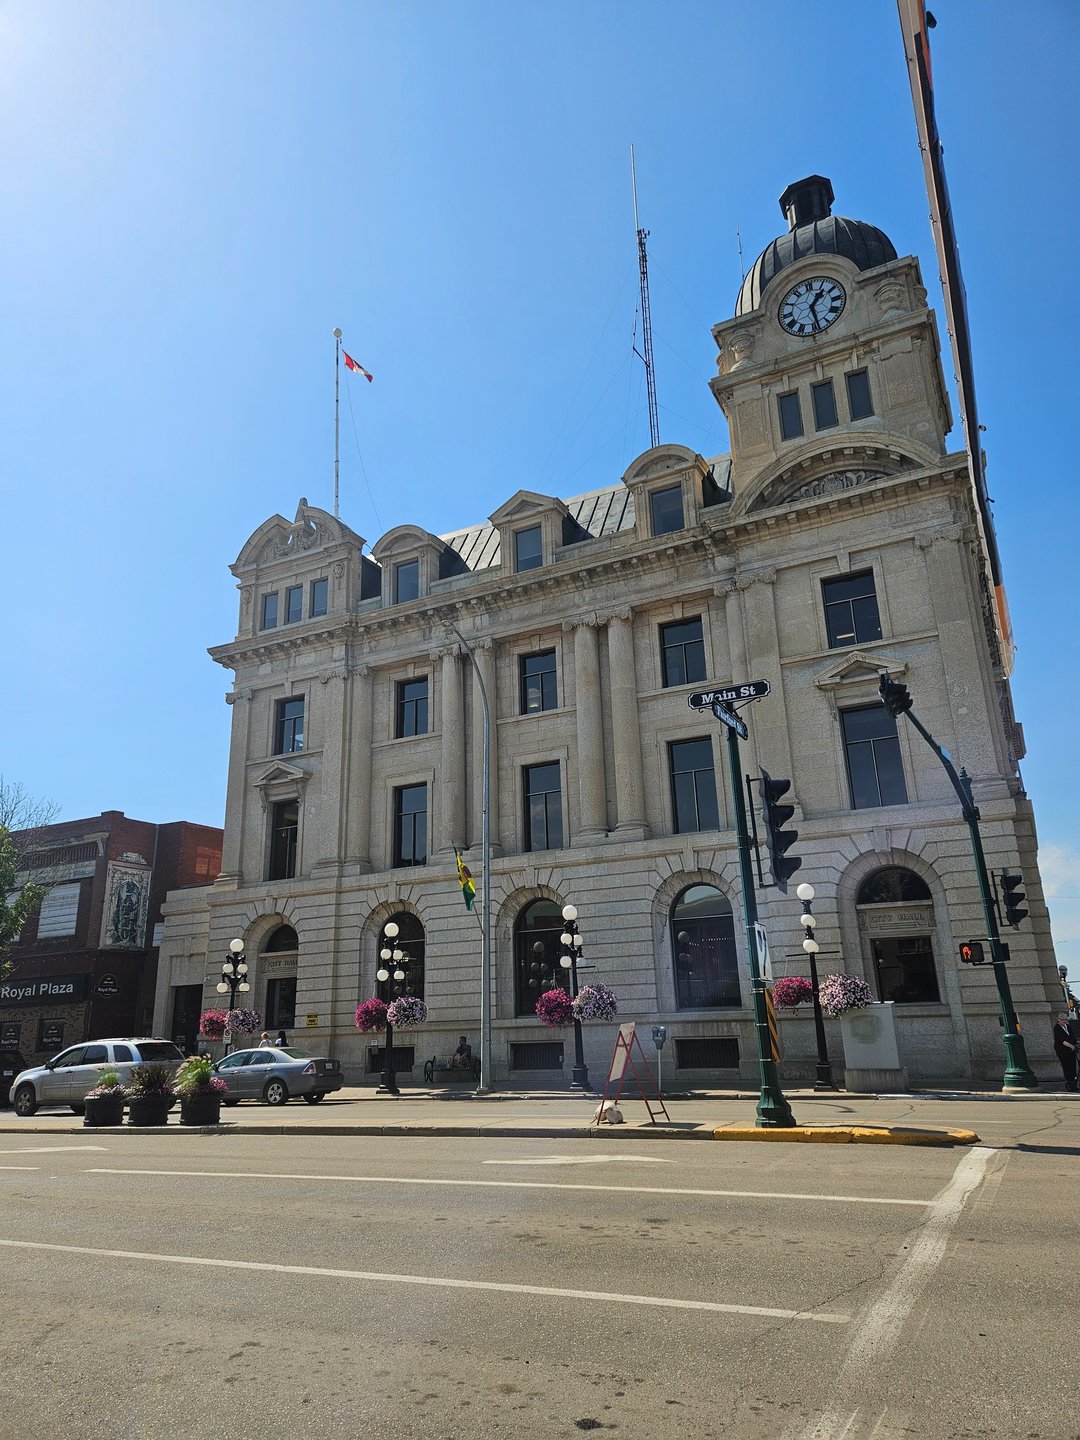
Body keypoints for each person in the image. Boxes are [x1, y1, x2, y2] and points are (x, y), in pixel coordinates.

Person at [1052, 1014, 1077, 1092]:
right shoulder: (1057, 1028)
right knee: (1067, 1066)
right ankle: (1070, 1083)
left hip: (1071, 1051)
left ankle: (1073, 1082)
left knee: (1073, 1066)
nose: (1065, 1021)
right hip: (1062, 1050)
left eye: (1066, 1019)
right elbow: (1061, 1040)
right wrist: (1071, 1046)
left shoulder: (1068, 1027)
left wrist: (1074, 1044)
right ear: (1058, 1020)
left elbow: (1072, 1037)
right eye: (1063, 1020)